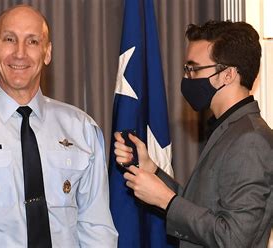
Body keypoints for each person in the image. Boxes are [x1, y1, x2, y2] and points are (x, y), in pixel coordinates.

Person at [0, 4, 118, 247]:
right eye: (9, 39)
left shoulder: (81, 129)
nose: (19, 53)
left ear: (47, 53)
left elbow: (96, 227)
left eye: (32, 42)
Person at [114, 20, 273, 248]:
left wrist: (166, 201)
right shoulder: (229, 129)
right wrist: (153, 171)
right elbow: (202, 208)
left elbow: (234, 238)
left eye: (193, 68)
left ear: (227, 74)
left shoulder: (251, 139)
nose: (187, 77)